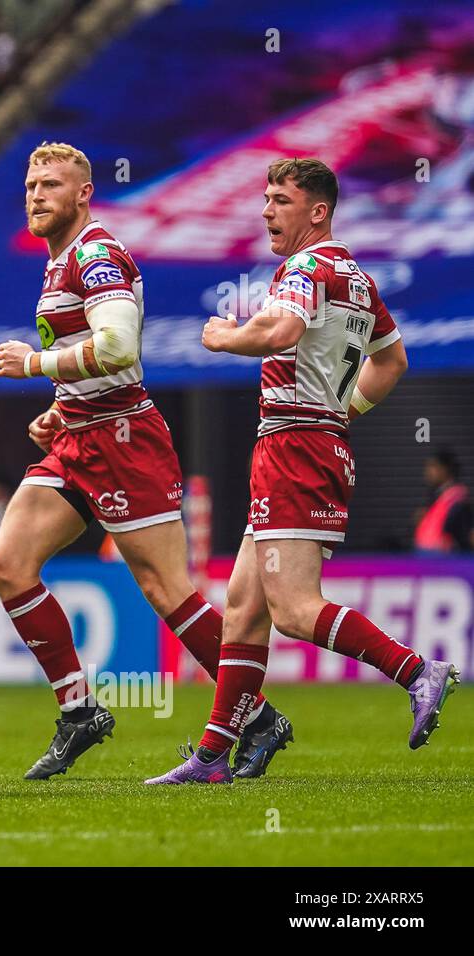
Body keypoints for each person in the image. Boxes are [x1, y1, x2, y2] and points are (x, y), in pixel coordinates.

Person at [147, 158, 457, 785]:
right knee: (240, 608)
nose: (266, 210)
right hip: (308, 441)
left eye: (280, 200)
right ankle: (212, 756)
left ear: (318, 211)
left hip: (295, 447)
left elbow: (283, 327)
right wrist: (344, 408)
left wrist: (227, 338)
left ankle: (416, 671)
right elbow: (392, 359)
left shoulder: (306, 267)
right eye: (265, 198)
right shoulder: (360, 280)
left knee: (291, 608)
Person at [0, 142, 293, 780]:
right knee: (8, 566)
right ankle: (80, 712)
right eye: (31, 184)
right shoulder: (57, 263)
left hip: (125, 441)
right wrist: (58, 401)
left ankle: (259, 717)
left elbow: (119, 347)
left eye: (51, 185)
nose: (37, 194)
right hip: (76, 433)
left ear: (82, 195)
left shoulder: (98, 255)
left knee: (167, 591)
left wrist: (37, 365)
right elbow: (88, 355)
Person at [414, 450, 471, 553]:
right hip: (429, 562)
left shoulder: (457, 500)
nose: (427, 472)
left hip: (446, 564)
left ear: (445, 469)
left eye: (432, 466)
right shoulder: (438, 497)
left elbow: (465, 538)